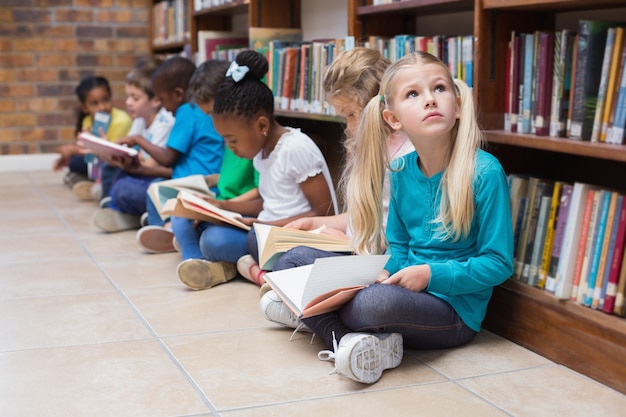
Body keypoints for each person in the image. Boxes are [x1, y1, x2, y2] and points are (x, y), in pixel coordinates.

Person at [269, 51, 515, 385]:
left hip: (454, 311)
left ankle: (319, 321)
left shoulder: (484, 172)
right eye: (413, 94)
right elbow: (398, 249)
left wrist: (429, 275)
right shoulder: (400, 171)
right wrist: (382, 270)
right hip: (403, 289)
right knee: (290, 260)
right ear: (392, 118)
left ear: (457, 105)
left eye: (439, 88)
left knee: (371, 303)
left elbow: (498, 263)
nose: (430, 100)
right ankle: (351, 341)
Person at [243, 47, 412, 300]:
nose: (350, 126)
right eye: (345, 117)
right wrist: (315, 224)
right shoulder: (368, 149)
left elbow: (398, 236)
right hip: (356, 247)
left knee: (293, 259)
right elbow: (360, 216)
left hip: (375, 258)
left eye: (352, 115)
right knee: (259, 241)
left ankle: (278, 286)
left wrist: (348, 243)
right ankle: (286, 288)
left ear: (379, 105)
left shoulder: (404, 158)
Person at [175, 49, 338, 291]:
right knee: (190, 222)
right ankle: (234, 266)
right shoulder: (261, 152)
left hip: (292, 238)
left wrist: (270, 226)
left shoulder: (295, 148)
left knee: (215, 240)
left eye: (233, 140)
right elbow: (268, 201)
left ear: (261, 124)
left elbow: (325, 212)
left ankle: (236, 267)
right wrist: (220, 207)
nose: (230, 149)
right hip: (265, 232)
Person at [117, 57, 225, 253]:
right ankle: (166, 226)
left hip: (199, 183)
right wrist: (141, 169)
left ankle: (166, 228)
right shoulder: (198, 110)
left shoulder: (186, 111)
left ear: (178, 94)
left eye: (163, 100)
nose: (164, 107)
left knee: (154, 189)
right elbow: (176, 165)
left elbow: (168, 158)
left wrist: (138, 140)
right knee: (156, 187)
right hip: (199, 180)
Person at [170, 59, 259, 283]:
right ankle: (200, 262)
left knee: (213, 239)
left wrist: (223, 208)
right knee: (180, 217)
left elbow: (261, 189)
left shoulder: (252, 140)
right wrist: (207, 185)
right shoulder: (229, 137)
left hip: (243, 213)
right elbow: (232, 177)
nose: (212, 121)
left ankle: (205, 258)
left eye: (212, 113)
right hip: (224, 208)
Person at [92, 57, 175, 232]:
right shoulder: (139, 120)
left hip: (152, 177)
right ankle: (117, 206)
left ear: (155, 101)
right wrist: (107, 149)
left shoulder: (165, 123)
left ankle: (122, 208)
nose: (128, 102)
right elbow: (127, 152)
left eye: (135, 98)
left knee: (124, 188)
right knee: (111, 169)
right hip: (139, 173)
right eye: (127, 96)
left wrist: (127, 160)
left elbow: (150, 165)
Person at [53, 76, 132, 201]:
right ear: (85, 107)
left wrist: (73, 149)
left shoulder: (122, 121)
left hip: (113, 162)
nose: (102, 107)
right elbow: (86, 149)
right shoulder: (88, 120)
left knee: (106, 168)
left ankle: (93, 185)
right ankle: (88, 182)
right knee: (75, 162)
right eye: (94, 103)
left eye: (105, 100)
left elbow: (116, 153)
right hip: (96, 160)